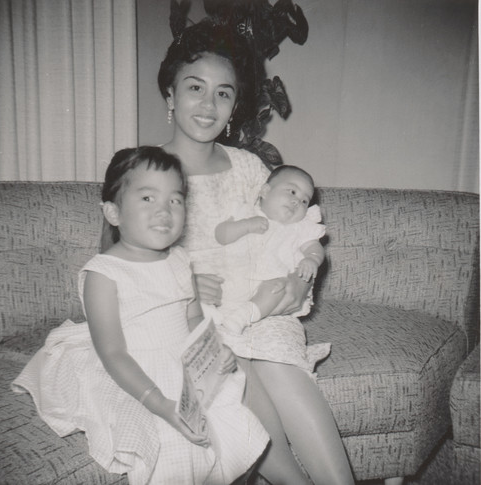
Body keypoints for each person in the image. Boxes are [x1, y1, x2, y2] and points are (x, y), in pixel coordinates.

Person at [157, 19, 355, 485]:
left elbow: (286, 236)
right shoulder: (146, 167)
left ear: (234, 107)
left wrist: (296, 278)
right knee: (231, 369)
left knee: (279, 361)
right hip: (190, 317)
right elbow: (114, 262)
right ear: (170, 95)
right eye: (195, 88)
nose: (209, 104)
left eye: (223, 93)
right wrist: (180, 283)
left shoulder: (250, 166)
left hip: (261, 306)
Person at [12, 146, 271, 485]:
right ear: (113, 212)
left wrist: (214, 348)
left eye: (175, 200)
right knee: (178, 450)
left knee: (233, 427)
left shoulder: (180, 260)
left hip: (184, 363)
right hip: (136, 373)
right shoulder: (104, 273)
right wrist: (159, 403)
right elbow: (113, 353)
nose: (164, 210)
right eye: (148, 198)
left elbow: (193, 320)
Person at [209, 164, 328, 338]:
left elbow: (314, 247)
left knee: (276, 288)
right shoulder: (245, 211)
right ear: (265, 191)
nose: (297, 201)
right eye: (292, 192)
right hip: (231, 276)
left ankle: (242, 317)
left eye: (305, 201)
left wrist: (312, 259)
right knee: (212, 282)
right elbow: (220, 235)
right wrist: (245, 225)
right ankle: (211, 312)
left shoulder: (300, 228)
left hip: (267, 284)